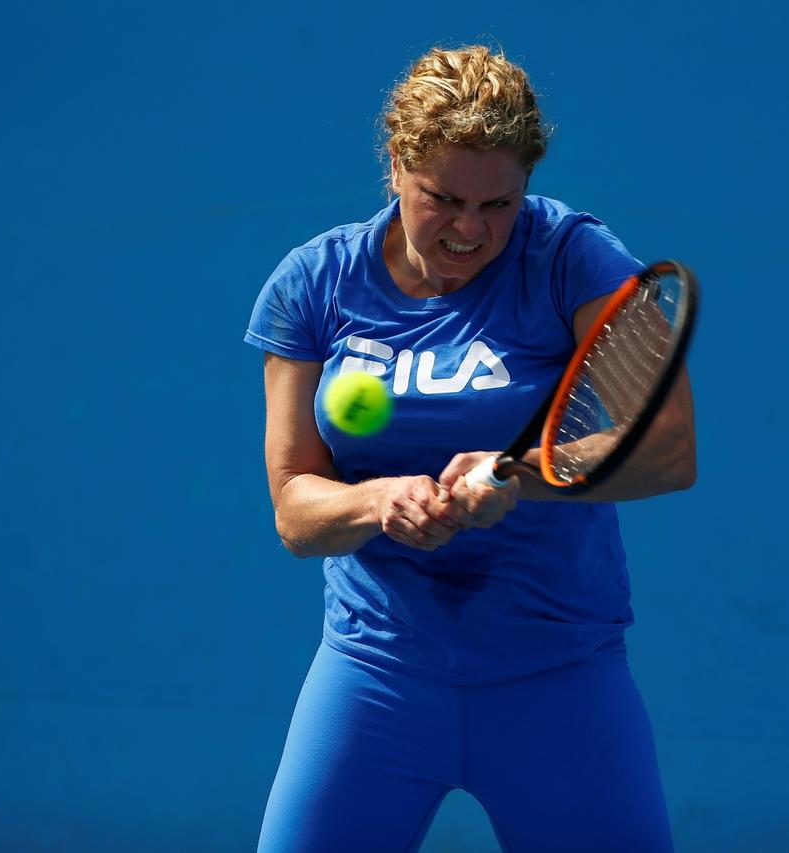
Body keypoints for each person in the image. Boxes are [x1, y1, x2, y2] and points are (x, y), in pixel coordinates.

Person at [245, 44, 695, 852]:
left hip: (559, 677)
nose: (469, 229)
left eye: (499, 204)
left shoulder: (572, 257)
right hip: (374, 677)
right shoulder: (314, 282)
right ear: (395, 165)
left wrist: (521, 475)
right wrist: (379, 500)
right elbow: (294, 510)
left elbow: (667, 448)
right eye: (443, 198)